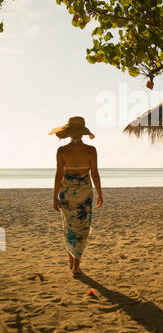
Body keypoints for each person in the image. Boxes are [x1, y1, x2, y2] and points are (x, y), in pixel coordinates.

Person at [49, 116, 103, 276]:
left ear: (70, 132)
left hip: (66, 192)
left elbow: (59, 175)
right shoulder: (91, 150)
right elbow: (95, 174)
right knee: (82, 227)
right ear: (83, 132)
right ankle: (76, 265)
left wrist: (54, 196)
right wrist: (100, 193)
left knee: (69, 226)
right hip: (85, 192)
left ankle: (71, 260)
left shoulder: (62, 151)